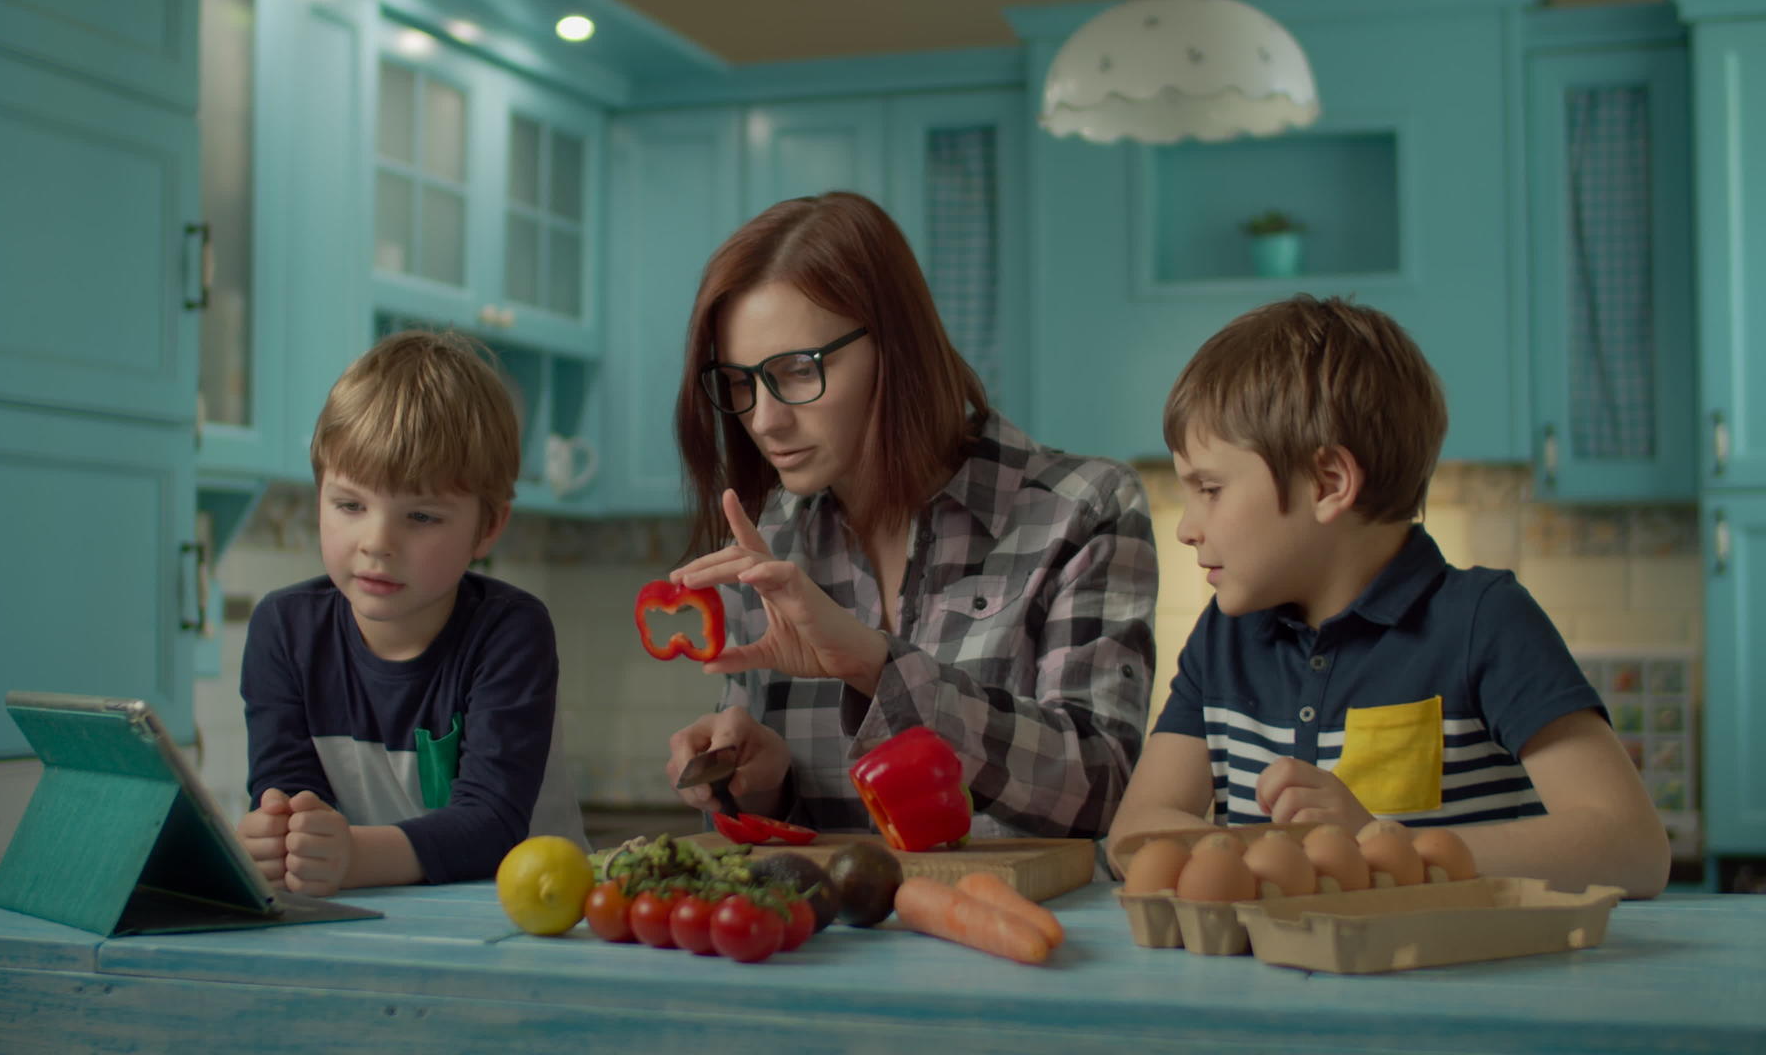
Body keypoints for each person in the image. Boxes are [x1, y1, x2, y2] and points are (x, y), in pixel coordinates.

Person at [1109, 295, 1670, 897]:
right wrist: (1266, 861)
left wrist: (1382, 846)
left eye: (1210, 488)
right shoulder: (1226, 635)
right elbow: (1134, 830)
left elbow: (1633, 848)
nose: (1187, 526)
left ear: (1329, 484)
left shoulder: (1484, 622)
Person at [661, 191, 1158, 841]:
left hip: (1024, 937)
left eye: (797, 370)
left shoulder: (1084, 509)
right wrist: (765, 779)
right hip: (837, 944)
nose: (763, 418)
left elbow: (1100, 786)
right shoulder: (770, 539)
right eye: (739, 382)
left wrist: (875, 664)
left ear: (897, 347)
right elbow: (800, 843)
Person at [234, 329, 583, 896]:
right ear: (319, 494)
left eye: (420, 516)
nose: (377, 542)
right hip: (371, 926)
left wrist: (347, 855)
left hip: (526, 923)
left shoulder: (510, 632)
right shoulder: (283, 629)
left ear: (488, 527)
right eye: (350, 504)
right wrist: (279, 838)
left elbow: (492, 826)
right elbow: (288, 792)